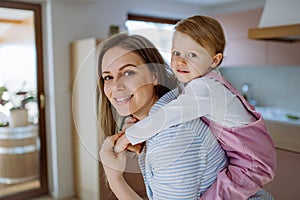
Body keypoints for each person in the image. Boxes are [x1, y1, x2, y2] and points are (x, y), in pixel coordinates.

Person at [115, 15, 277, 199]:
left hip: (252, 164)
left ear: (214, 61)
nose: (180, 61)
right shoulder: (199, 83)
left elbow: (170, 114)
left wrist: (130, 135)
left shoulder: (206, 88)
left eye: (192, 55)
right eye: (176, 53)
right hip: (246, 158)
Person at [98, 33, 228, 199]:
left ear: (155, 76)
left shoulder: (171, 137)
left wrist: (114, 177)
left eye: (128, 73)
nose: (116, 86)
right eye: (108, 77)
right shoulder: (162, 119)